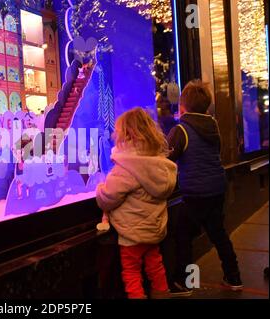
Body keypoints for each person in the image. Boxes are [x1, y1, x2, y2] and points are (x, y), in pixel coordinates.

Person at [167, 80, 242, 295]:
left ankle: (185, 283)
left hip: (195, 193)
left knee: (183, 236)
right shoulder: (213, 126)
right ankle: (234, 276)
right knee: (218, 234)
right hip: (217, 188)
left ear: (183, 106)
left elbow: (167, 158)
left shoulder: (181, 129)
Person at [96, 107, 177, 299]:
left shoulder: (126, 167)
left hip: (131, 235)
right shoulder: (159, 163)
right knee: (156, 267)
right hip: (154, 231)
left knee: (131, 274)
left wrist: (100, 187)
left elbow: (107, 199)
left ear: (125, 135)